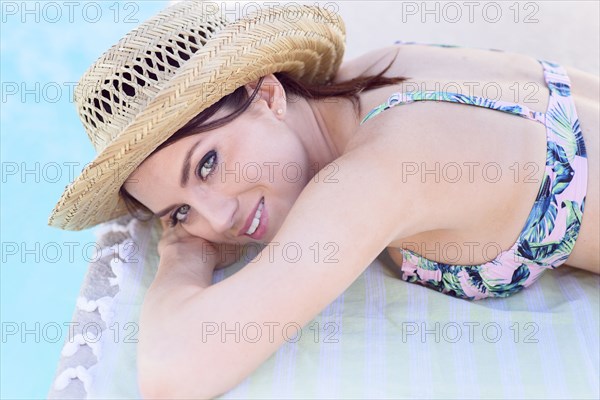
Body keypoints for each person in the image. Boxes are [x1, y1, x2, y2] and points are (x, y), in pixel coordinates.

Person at [47, 1, 599, 398]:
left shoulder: (376, 174)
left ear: (268, 94)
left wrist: (181, 257)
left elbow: (173, 373)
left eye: (208, 163)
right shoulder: (376, 71)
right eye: (180, 213)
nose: (216, 221)